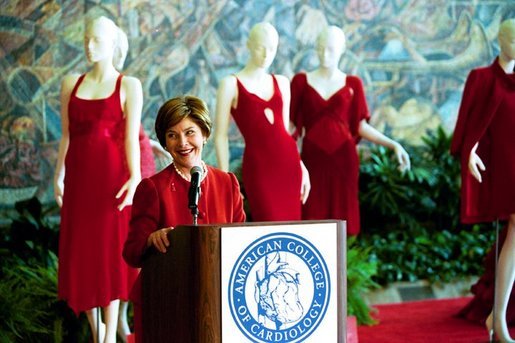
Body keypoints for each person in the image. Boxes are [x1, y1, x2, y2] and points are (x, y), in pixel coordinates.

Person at [53, 16, 155, 343]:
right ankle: (99, 334)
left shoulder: (129, 85)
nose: (89, 46)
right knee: (83, 256)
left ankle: (110, 336)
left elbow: (130, 138)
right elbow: (67, 136)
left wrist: (136, 176)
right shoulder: (71, 83)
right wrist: (59, 175)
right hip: (80, 183)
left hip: (113, 183)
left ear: (113, 44)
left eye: (97, 40)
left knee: (110, 257)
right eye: (86, 39)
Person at [123, 95, 246, 342]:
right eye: (172, 135)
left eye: (190, 132)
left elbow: (241, 243)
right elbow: (132, 252)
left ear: (204, 134)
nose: (182, 142)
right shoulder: (152, 188)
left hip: (219, 299)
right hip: (165, 301)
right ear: (165, 142)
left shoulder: (227, 183)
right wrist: (151, 239)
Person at [290, 25, 410, 235]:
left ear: (342, 50)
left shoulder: (353, 83)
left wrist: (393, 144)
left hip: (343, 160)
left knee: (342, 220)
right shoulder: (301, 82)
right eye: (320, 48)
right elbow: (291, 127)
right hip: (312, 161)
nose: (324, 54)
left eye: (330, 49)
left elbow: (360, 126)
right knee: (311, 216)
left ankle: (344, 265)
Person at [451, 18, 515, 343]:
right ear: (499, 41)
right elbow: (469, 121)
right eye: (512, 39)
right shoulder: (482, 78)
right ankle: (499, 318)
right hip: (501, 168)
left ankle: (497, 316)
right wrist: (469, 152)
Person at [214, 22, 310, 221]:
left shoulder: (282, 83)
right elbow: (220, 136)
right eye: (260, 47)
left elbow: (284, 131)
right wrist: (226, 180)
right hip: (259, 166)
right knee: (267, 222)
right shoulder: (230, 84)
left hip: (289, 164)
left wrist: (301, 165)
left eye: (272, 48)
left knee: (291, 228)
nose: (267, 54)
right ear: (249, 45)